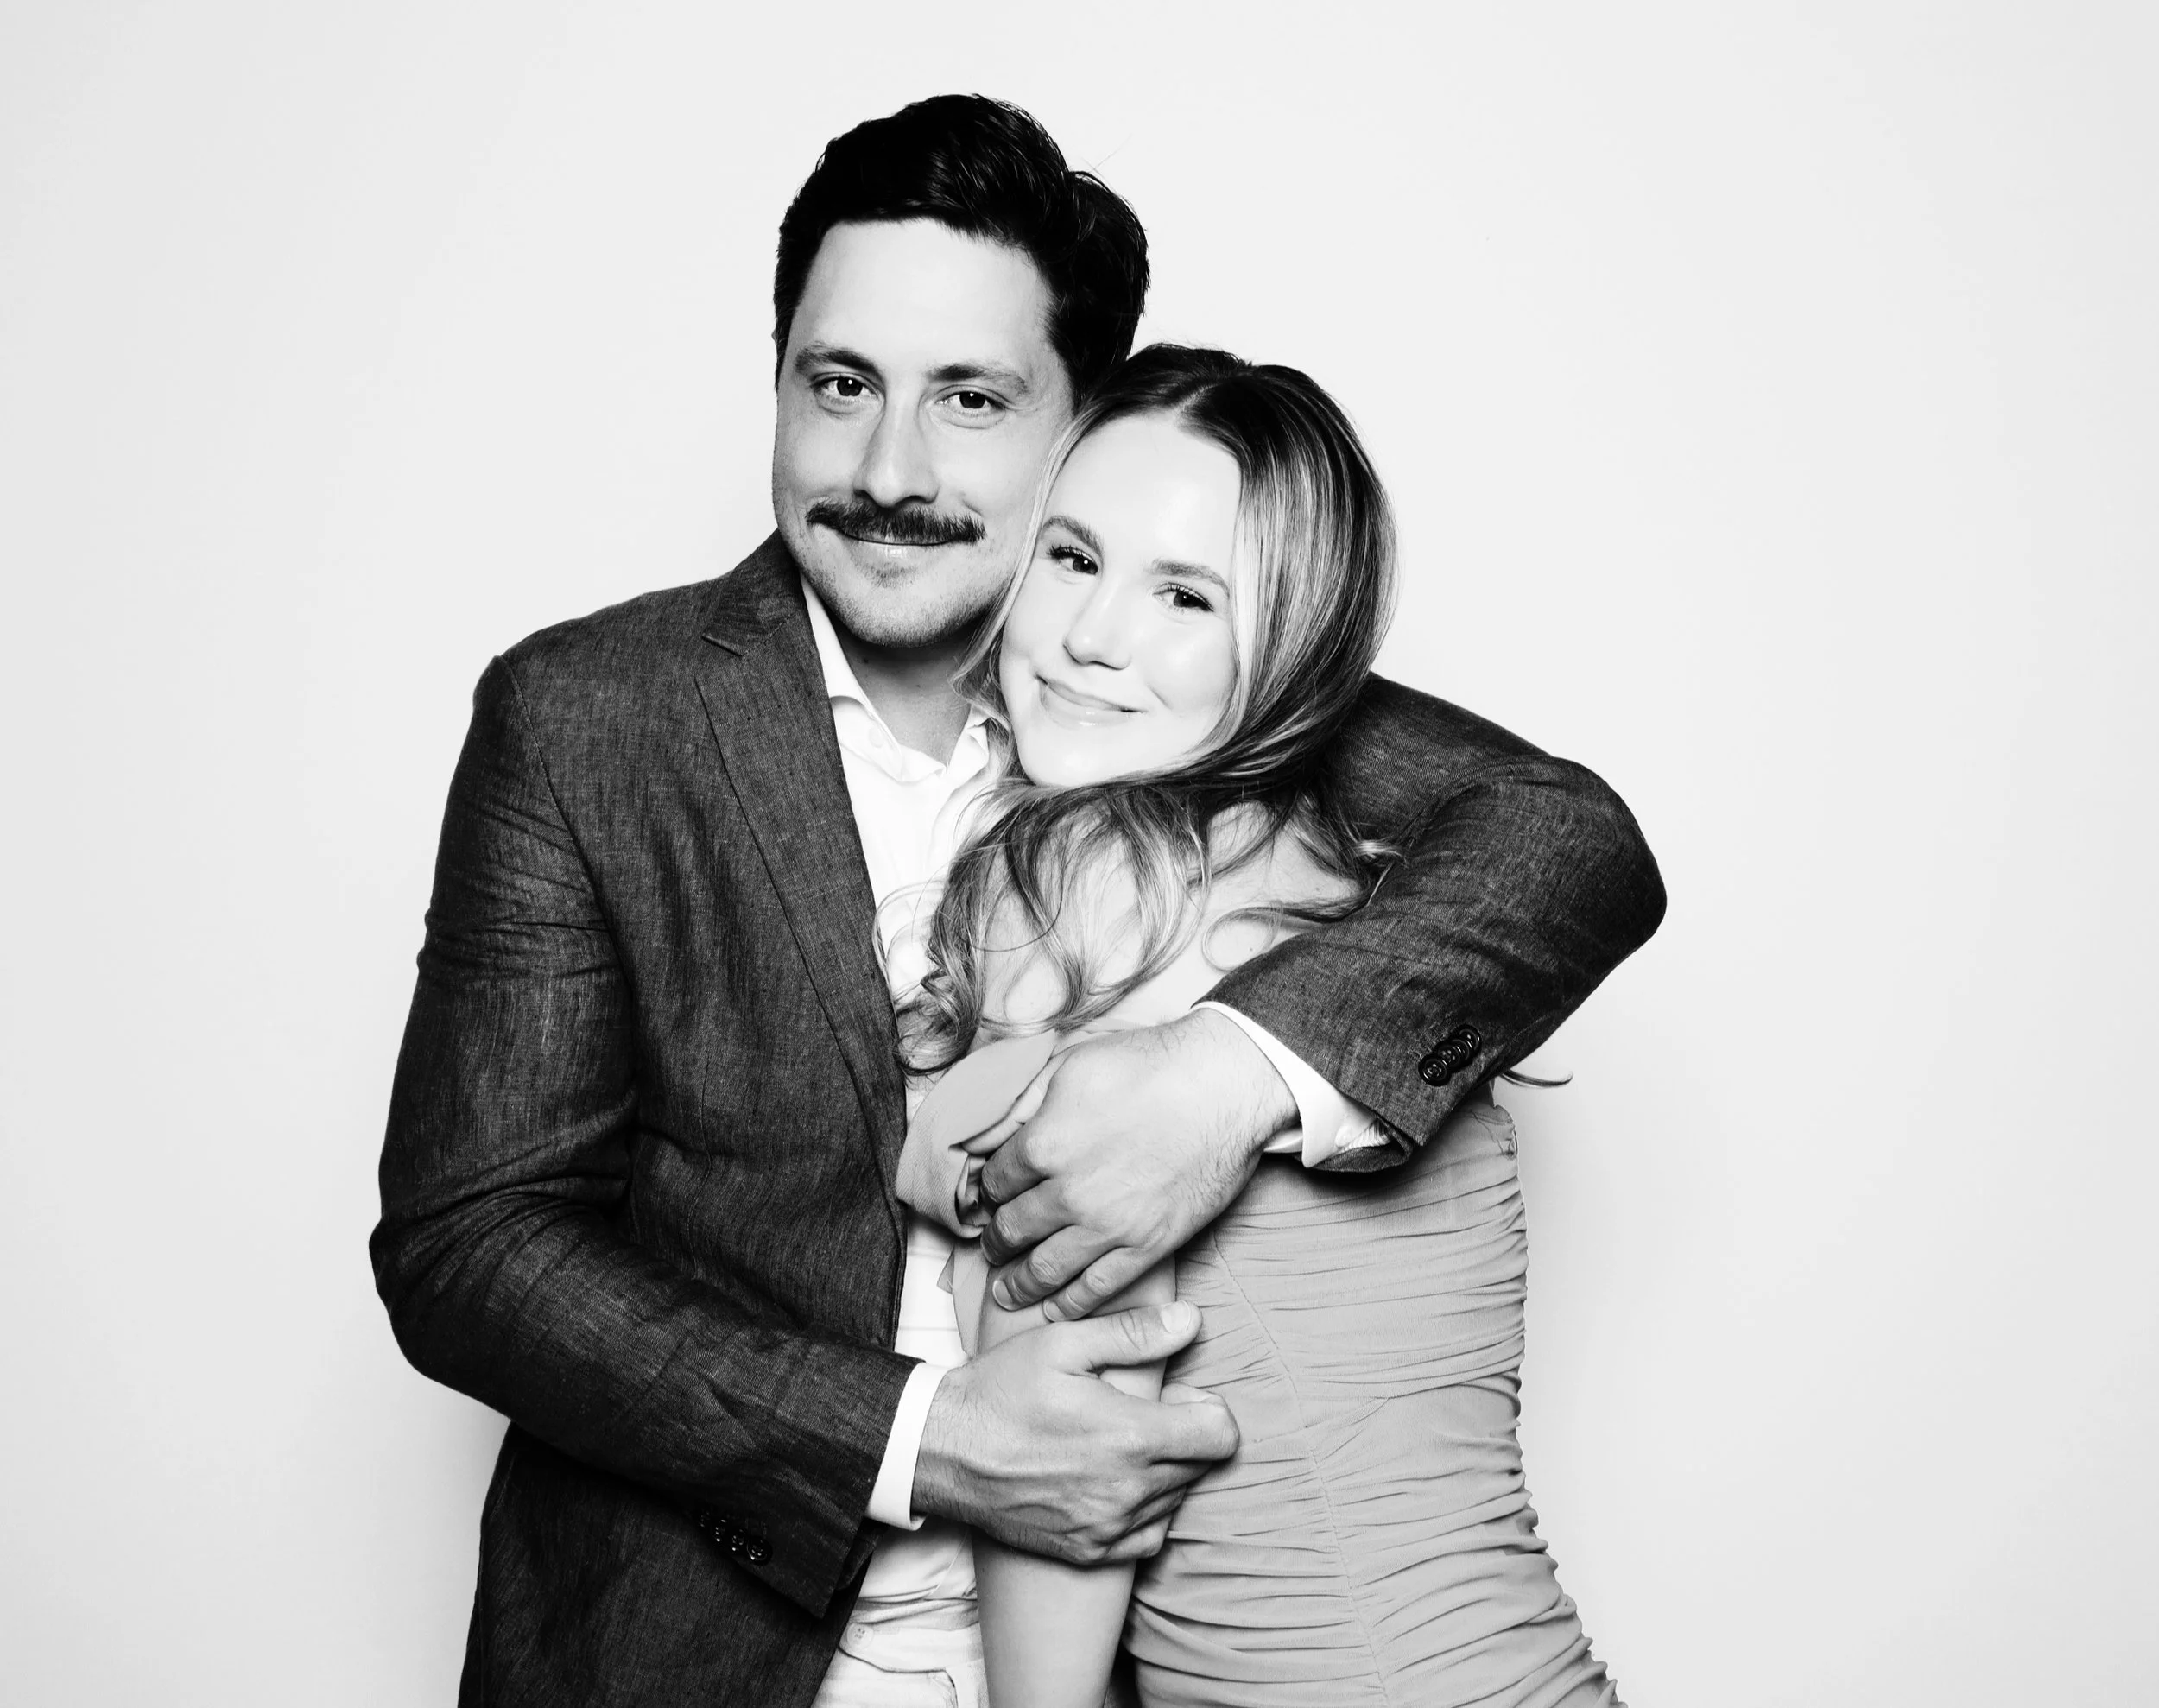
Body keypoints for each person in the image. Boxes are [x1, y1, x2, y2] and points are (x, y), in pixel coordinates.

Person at [371, 95, 1663, 1708]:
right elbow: (470, 1240)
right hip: (711, 1658)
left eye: (970, 400)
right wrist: (924, 1440)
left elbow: (1567, 838)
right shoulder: (586, 714)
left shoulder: (1180, 664)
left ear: (1084, 425)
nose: (887, 470)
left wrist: (1218, 1078)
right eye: (837, 386)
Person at [896, 345, 1624, 1707]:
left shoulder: (1079, 891)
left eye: (1184, 594)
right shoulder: (1361, 892)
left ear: (1292, 649)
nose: (1093, 635)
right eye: (1070, 557)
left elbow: (1074, 1426)